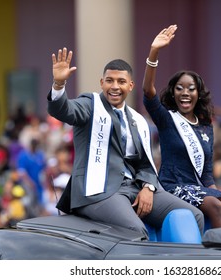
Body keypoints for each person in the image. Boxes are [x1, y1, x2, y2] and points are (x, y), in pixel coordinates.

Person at [47, 47, 204, 239]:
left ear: (130, 86)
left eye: (121, 81)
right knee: (136, 231)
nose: (115, 86)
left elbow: (145, 164)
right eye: (110, 81)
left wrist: (148, 187)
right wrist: (58, 84)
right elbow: (63, 110)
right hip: (99, 191)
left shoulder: (138, 120)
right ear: (101, 83)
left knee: (192, 215)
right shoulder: (90, 104)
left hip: (134, 187)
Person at [142, 25, 221, 228]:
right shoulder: (167, 119)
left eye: (191, 88)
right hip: (172, 186)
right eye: (179, 88)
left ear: (198, 94)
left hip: (199, 188)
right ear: (173, 94)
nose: (185, 92)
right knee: (215, 205)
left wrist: (217, 193)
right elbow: (148, 90)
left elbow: (206, 174)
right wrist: (154, 51)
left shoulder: (206, 127)